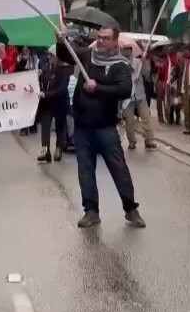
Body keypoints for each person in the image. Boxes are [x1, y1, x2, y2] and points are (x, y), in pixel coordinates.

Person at [71, 24, 145, 229]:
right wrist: (61, 40)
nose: (101, 41)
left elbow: (124, 89)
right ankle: (91, 211)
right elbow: (66, 54)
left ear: (114, 41)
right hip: (82, 127)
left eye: (106, 38)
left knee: (118, 169)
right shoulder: (87, 56)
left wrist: (98, 87)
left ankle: (130, 209)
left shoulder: (119, 64)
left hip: (105, 128)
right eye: (99, 37)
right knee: (85, 171)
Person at [37, 41, 72, 164]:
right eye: (49, 55)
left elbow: (62, 88)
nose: (49, 57)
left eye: (51, 55)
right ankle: (45, 150)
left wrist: (46, 94)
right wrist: (38, 76)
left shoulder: (65, 68)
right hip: (46, 103)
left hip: (60, 102)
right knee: (45, 125)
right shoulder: (45, 66)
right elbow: (43, 82)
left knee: (60, 126)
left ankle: (58, 148)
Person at [122, 48, 156, 151]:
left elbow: (147, 74)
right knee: (129, 121)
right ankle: (132, 141)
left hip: (140, 95)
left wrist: (145, 63)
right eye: (124, 49)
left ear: (131, 50)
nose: (126, 51)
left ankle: (149, 140)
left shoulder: (138, 62)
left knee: (146, 118)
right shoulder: (120, 64)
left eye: (127, 49)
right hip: (127, 97)